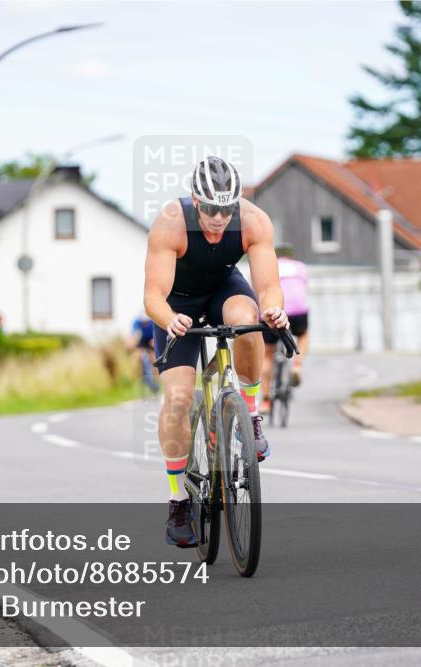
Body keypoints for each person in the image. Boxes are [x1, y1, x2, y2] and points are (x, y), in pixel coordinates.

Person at [143, 156, 289, 547]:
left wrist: (274, 307)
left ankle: (251, 415)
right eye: (210, 208)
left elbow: (269, 285)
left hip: (224, 289)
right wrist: (170, 318)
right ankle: (177, 499)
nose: (219, 217)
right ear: (195, 200)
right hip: (178, 305)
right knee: (177, 399)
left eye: (227, 208)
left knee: (249, 317)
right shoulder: (171, 223)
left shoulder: (254, 221)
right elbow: (152, 297)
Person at [260, 244, 310, 413]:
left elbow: (257, 290)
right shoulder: (300, 267)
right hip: (297, 310)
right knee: (303, 334)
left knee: (267, 354)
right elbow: (304, 289)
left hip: (273, 311)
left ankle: (266, 401)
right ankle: (297, 364)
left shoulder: (267, 267)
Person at [127, 313, 159, 394]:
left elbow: (155, 336)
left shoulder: (152, 323)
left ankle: (155, 378)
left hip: (150, 340)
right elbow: (134, 336)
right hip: (141, 342)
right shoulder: (136, 323)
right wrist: (131, 343)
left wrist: (154, 343)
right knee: (139, 357)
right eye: (143, 323)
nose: (144, 324)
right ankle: (141, 375)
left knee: (154, 359)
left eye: (146, 322)